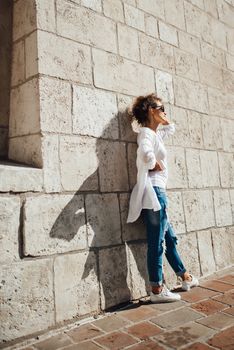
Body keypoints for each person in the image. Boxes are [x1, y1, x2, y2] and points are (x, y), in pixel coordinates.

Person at [127, 93, 199, 303]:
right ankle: (157, 289)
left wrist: (165, 120)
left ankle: (185, 277)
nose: (164, 111)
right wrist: (153, 163)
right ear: (150, 110)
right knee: (157, 241)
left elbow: (170, 129)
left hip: (159, 191)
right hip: (155, 192)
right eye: (161, 107)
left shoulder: (155, 133)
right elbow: (145, 150)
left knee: (169, 238)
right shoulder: (146, 133)